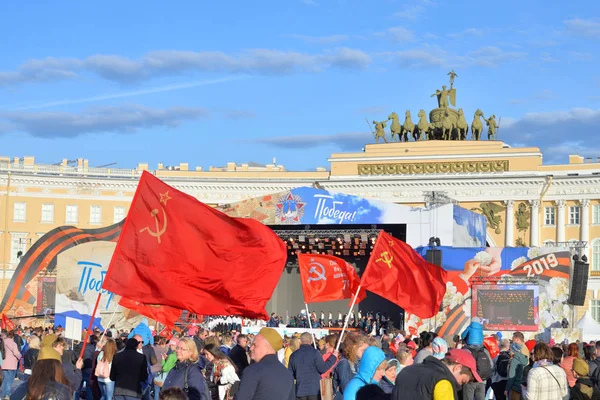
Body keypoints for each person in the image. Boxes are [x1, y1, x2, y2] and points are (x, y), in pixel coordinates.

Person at [392, 349, 481, 400]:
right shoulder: (443, 382)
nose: (460, 386)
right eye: (463, 381)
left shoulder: (406, 370)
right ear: (457, 368)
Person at [235, 328, 294, 400]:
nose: (251, 348)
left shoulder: (253, 371)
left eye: (254, 344)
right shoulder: (287, 374)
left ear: (267, 347)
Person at [289, 332, 338, 400]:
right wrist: (333, 357)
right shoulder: (315, 353)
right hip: (314, 390)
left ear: (300, 341)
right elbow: (322, 368)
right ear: (311, 341)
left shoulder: (293, 355)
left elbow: (290, 374)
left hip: (300, 390)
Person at [333, 333, 369, 400]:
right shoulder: (344, 363)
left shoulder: (357, 362)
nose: (365, 352)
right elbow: (346, 388)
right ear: (353, 347)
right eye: (363, 350)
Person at [2, 331, 22, 398]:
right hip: (12, 364)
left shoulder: (2, 343)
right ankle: (7, 394)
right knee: (9, 381)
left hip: (3, 363)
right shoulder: (13, 344)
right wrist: (19, 357)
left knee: (5, 380)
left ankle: (2, 394)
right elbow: (16, 353)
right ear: (13, 337)